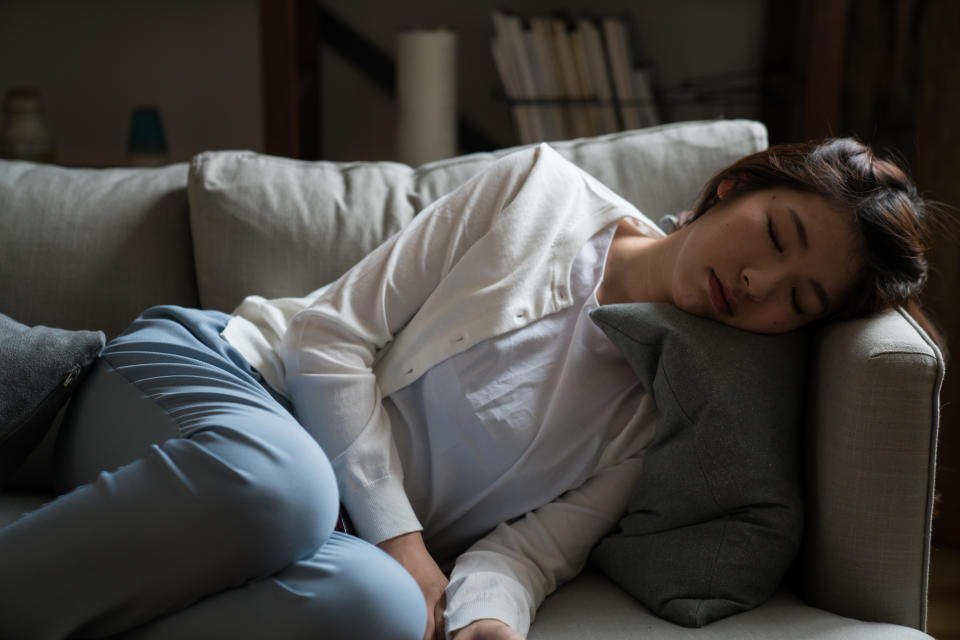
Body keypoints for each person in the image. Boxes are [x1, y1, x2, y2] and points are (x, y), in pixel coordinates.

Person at [0, 137, 935, 640]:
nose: (761, 287)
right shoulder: (540, 192)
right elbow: (328, 337)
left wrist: (486, 620)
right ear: (733, 188)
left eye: (800, 300)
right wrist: (404, 539)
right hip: (212, 380)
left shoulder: (661, 413)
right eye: (775, 239)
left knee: (379, 612)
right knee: (285, 486)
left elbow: (529, 554)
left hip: (309, 527)